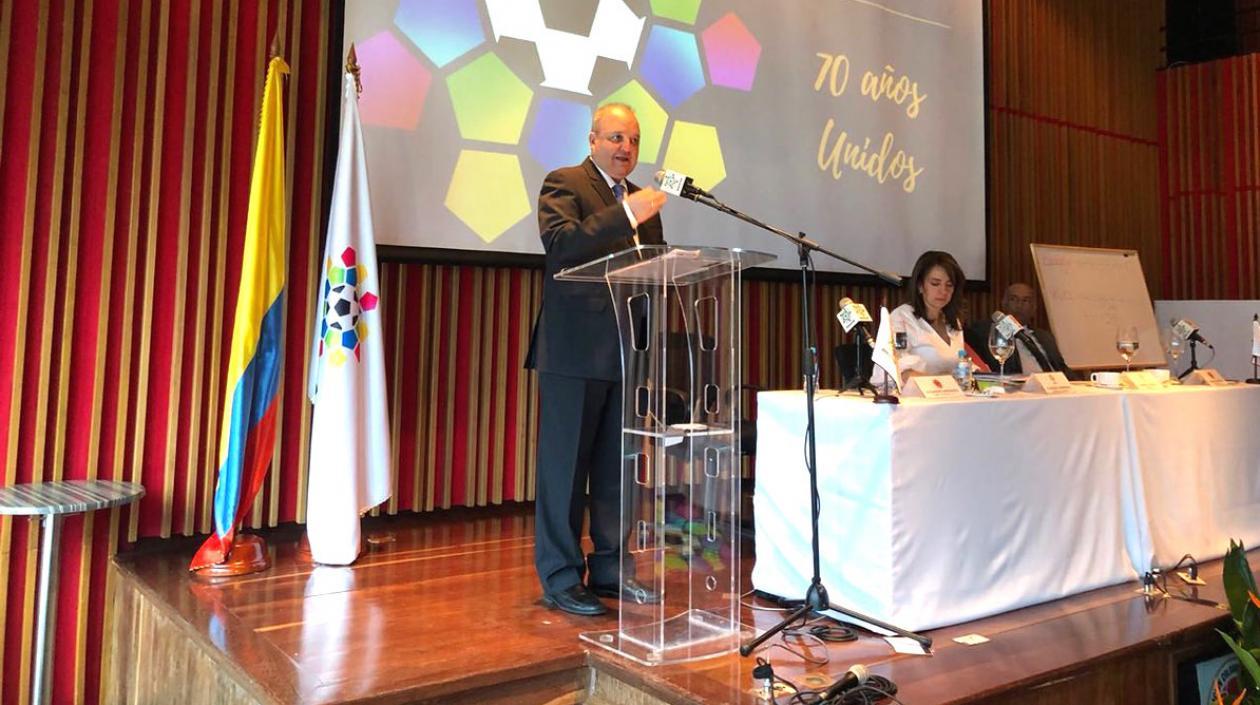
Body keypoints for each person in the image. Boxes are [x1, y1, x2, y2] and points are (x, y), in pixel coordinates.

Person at [525, 103, 667, 616]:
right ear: (592, 140)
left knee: (616, 472)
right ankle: (562, 577)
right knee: (565, 472)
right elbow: (562, 245)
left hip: (628, 354)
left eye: (631, 139)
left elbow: (655, 270)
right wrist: (626, 214)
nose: (624, 148)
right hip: (574, 352)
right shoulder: (565, 183)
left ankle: (611, 570)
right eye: (614, 138)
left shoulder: (644, 205)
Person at [884, 251, 968, 382]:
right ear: (920, 286)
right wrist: (943, 384)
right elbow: (899, 370)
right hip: (915, 398)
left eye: (949, 285)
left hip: (951, 396)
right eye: (935, 284)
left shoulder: (952, 321)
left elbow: (961, 367)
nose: (943, 291)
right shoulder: (901, 317)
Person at [965, 282, 1074, 377]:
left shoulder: (1045, 336)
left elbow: (1062, 368)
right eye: (1013, 299)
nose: (1019, 305)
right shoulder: (987, 332)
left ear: (1033, 307)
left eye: (1025, 300)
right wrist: (1007, 325)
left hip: (1054, 388)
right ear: (1004, 303)